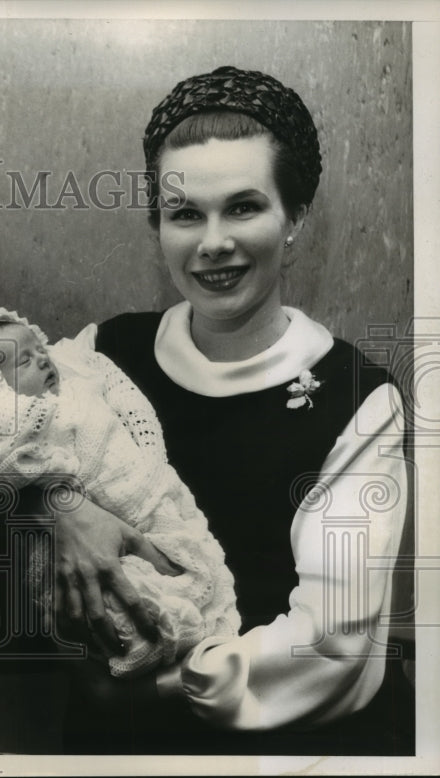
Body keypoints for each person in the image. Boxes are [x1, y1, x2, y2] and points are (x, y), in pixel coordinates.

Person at [62, 66, 412, 754]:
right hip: (118, 746)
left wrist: (159, 689)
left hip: (294, 751)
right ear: (156, 225)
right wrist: (60, 506)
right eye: (185, 214)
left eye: (244, 207)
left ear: (295, 218)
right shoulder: (103, 354)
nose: (212, 242)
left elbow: (332, 644)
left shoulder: (357, 399)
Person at [0, 307, 238, 678]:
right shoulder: (108, 343)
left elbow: (119, 446)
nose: (45, 359)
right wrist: (53, 502)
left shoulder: (85, 376)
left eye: (41, 350)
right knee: (125, 613)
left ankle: (190, 628)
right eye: (25, 360)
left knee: (186, 571)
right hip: (82, 586)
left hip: (150, 502)